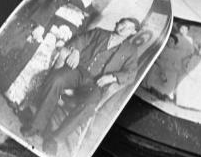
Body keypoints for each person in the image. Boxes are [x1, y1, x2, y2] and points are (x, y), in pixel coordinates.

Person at [22, 16, 141, 149]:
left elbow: (131, 74)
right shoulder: (99, 32)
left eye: (129, 28)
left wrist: (112, 77)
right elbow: (80, 39)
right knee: (57, 79)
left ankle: (55, 139)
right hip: (79, 71)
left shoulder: (131, 51)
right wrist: (76, 51)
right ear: (117, 23)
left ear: (133, 32)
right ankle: (36, 126)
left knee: (89, 105)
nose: (124, 28)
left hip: (97, 84)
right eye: (123, 24)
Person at [0, 0, 107, 106]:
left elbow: (80, 33)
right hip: (48, 33)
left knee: (43, 68)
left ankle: (21, 99)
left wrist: (71, 47)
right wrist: (41, 26)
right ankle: (8, 89)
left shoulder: (89, 12)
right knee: (28, 60)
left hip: (62, 43)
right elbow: (50, 6)